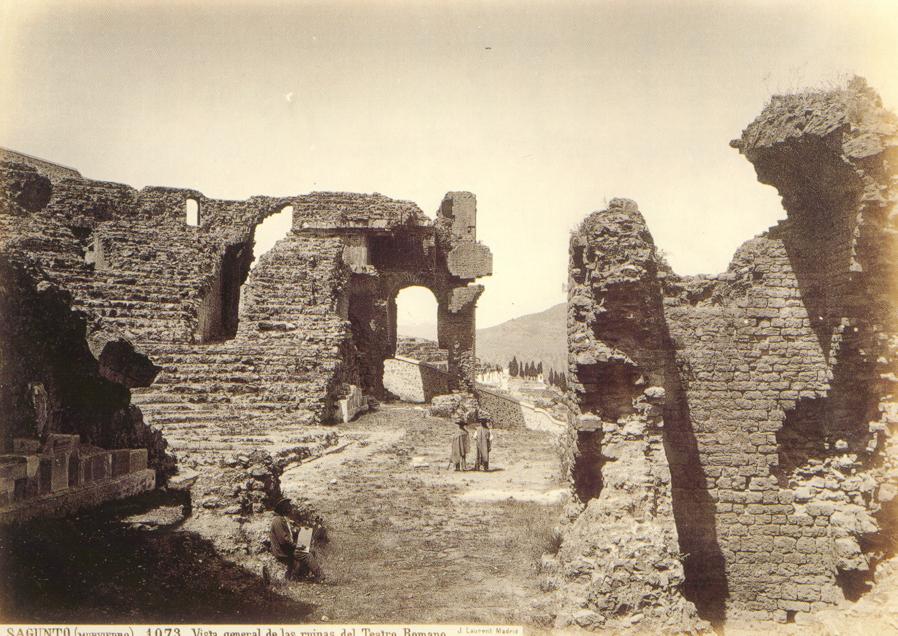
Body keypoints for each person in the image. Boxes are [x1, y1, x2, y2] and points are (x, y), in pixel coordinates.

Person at [269, 496, 322, 581]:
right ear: (282, 508)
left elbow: (288, 536)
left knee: (311, 550)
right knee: (307, 554)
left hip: (287, 548)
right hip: (282, 551)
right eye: (287, 505)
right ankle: (320, 576)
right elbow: (283, 541)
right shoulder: (277, 521)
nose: (290, 507)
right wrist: (297, 546)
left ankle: (303, 575)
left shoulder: (283, 520)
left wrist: (302, 532)